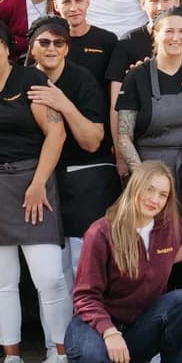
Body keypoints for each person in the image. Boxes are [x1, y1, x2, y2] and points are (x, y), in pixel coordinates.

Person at [0, 18, 74, 363]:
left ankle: (62, 357)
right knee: (3, 279)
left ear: (8, 47)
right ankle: (13, 360)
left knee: (49, 276)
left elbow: (56, 132)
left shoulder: (31, 80)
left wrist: (38, 183)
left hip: (34, 181)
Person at [65, 162, 182, 363]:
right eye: (149, 190)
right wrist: (109, 332)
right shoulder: (101, 232)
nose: (154, 199)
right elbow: (84, 296)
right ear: (134, 188)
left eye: (163, 194)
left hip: (141, 325)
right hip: (96, 325)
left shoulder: (169, 227)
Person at [26, 15, 117, 279]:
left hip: (85, 179)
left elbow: (92, 142)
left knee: (83, 265)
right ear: (32, 47)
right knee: (51, 273)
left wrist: (63, 103)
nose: (51, 48)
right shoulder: (22, 79)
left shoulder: (82, 80)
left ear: (67, 48)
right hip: (41, 179)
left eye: (58, 42)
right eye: (44, 42)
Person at [115, 11, 182, 221]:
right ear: (156, 34)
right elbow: (124, 135)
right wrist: (142, 177)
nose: (176, 37)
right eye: (169, 31)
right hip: (154, 175)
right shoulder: (137, 76)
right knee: (157, 236)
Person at [54, 0, 120, 89]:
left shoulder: (108, 40)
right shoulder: (49, 42)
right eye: (66, 2)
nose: (73, 8)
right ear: (56, 6)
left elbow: (116, 85)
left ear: (88, 2)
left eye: (78, 1)